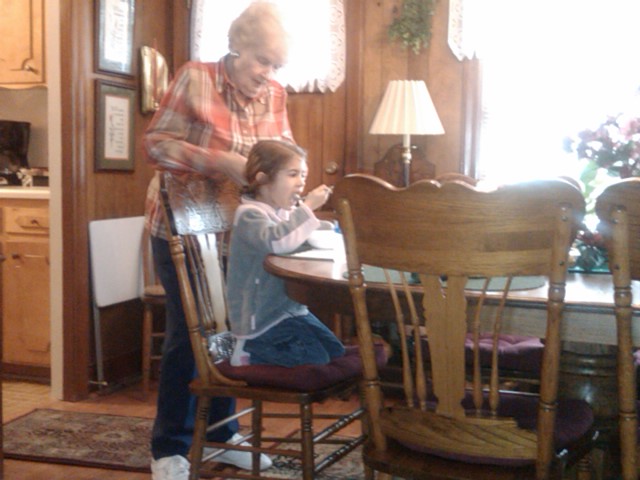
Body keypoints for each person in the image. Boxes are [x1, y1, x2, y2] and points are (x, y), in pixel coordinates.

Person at [143, 3, 294, 479]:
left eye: (276, 65)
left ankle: (223, 434)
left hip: (237, 235)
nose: (268, 74)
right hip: (182, 229)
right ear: (236, 46)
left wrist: (289, 174)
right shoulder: (196, 78)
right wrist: (221, 161)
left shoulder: (275, 95)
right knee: (190, 336)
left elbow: (284, 150)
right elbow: (156, 144)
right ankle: (169, 446)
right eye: (262, 61)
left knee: (231, 335)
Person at [227, 140, 345, 367]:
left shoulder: (281, 213)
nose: (301, 182)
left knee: (335, 351)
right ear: (262, 179)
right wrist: (307, 208)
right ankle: (247, 352)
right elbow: (278, 241)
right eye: (293, 174)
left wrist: (324, 226)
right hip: (260, 320)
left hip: (289, 310)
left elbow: (294, 232)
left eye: (303, 175)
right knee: (317, 359)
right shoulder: (249, 215)